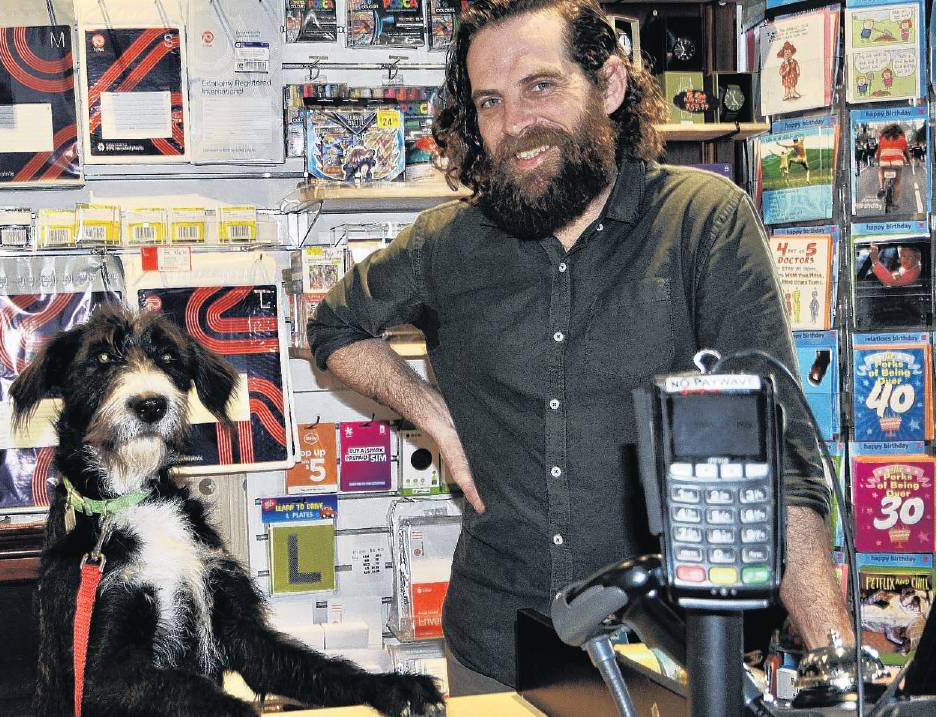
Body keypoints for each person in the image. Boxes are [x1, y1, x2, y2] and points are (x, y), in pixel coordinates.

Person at [308, 0, 853, 693]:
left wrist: (833, 659)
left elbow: (782, 455)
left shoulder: (701, 220)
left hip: (683, 657)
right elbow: (333, 328)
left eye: (540, 86)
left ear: (611, 85)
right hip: (499, 647)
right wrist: (435, 417)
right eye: (489, 101)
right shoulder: (446, 244)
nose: (513, 123)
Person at [875, 123, 910, 209]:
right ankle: (894, 202)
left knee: (880, 170)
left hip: (884, 162)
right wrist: (909, 161)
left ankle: (882, 188)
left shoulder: (882, 139)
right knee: (897, 182)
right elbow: (906, 153)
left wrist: (877, 160)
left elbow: (878, 153)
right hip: (897, 163)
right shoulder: (902, 139)